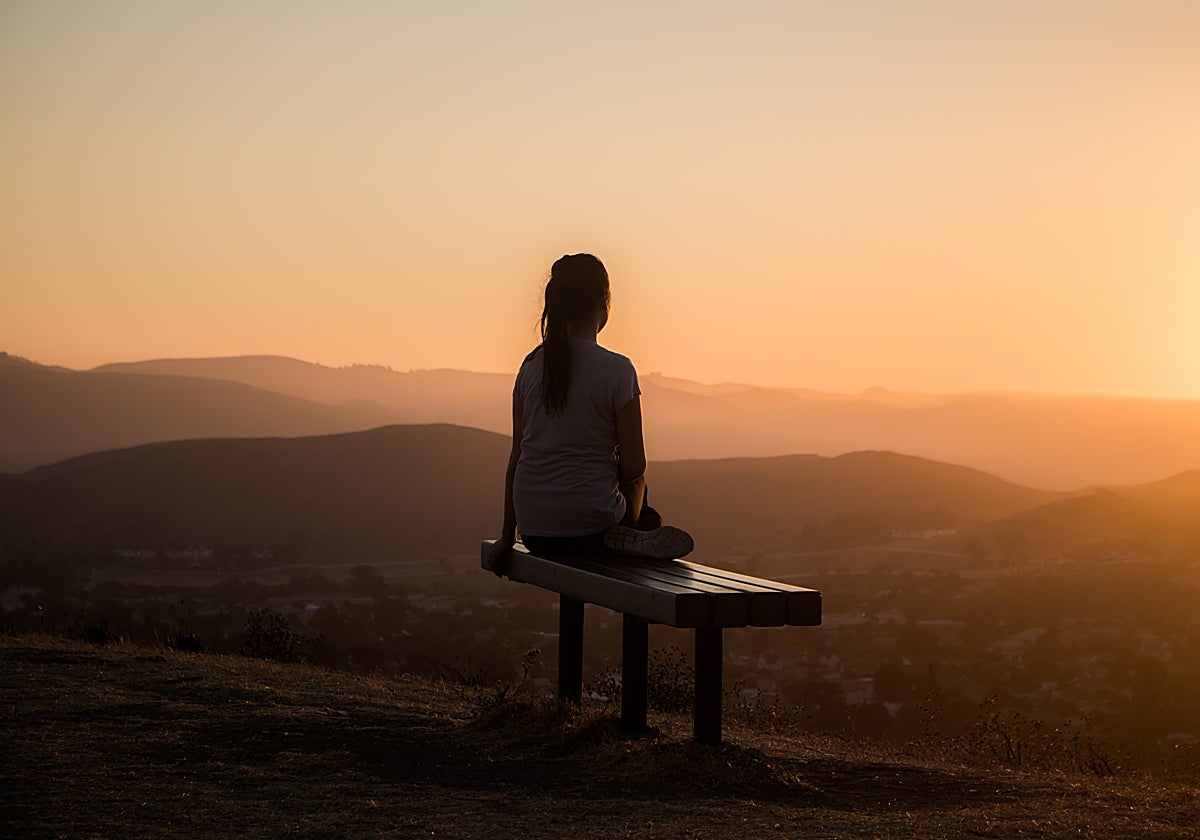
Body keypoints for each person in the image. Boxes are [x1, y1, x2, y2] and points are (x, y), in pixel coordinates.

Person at [489, 253, 693, 570]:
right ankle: (635, 531)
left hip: (534, 532)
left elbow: (517, 457)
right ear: (604, 302)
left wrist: (506, 535)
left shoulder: (529, 367)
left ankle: (635, 529)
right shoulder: (617, 370)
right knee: (641, 489)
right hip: (592, 530)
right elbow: (634, 466)